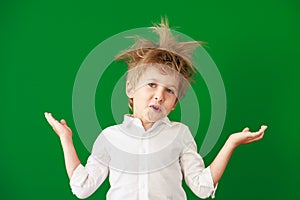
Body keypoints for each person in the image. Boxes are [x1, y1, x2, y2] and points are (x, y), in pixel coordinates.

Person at [45, 18, 267, 199]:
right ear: (130, 88)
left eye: (169, 91)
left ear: (174, 104)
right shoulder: (110, 137)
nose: (159, 96)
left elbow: (202, 188)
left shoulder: (180, 134)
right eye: (151, 84)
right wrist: (66, 138)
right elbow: (83, 188)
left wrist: (231, 143)